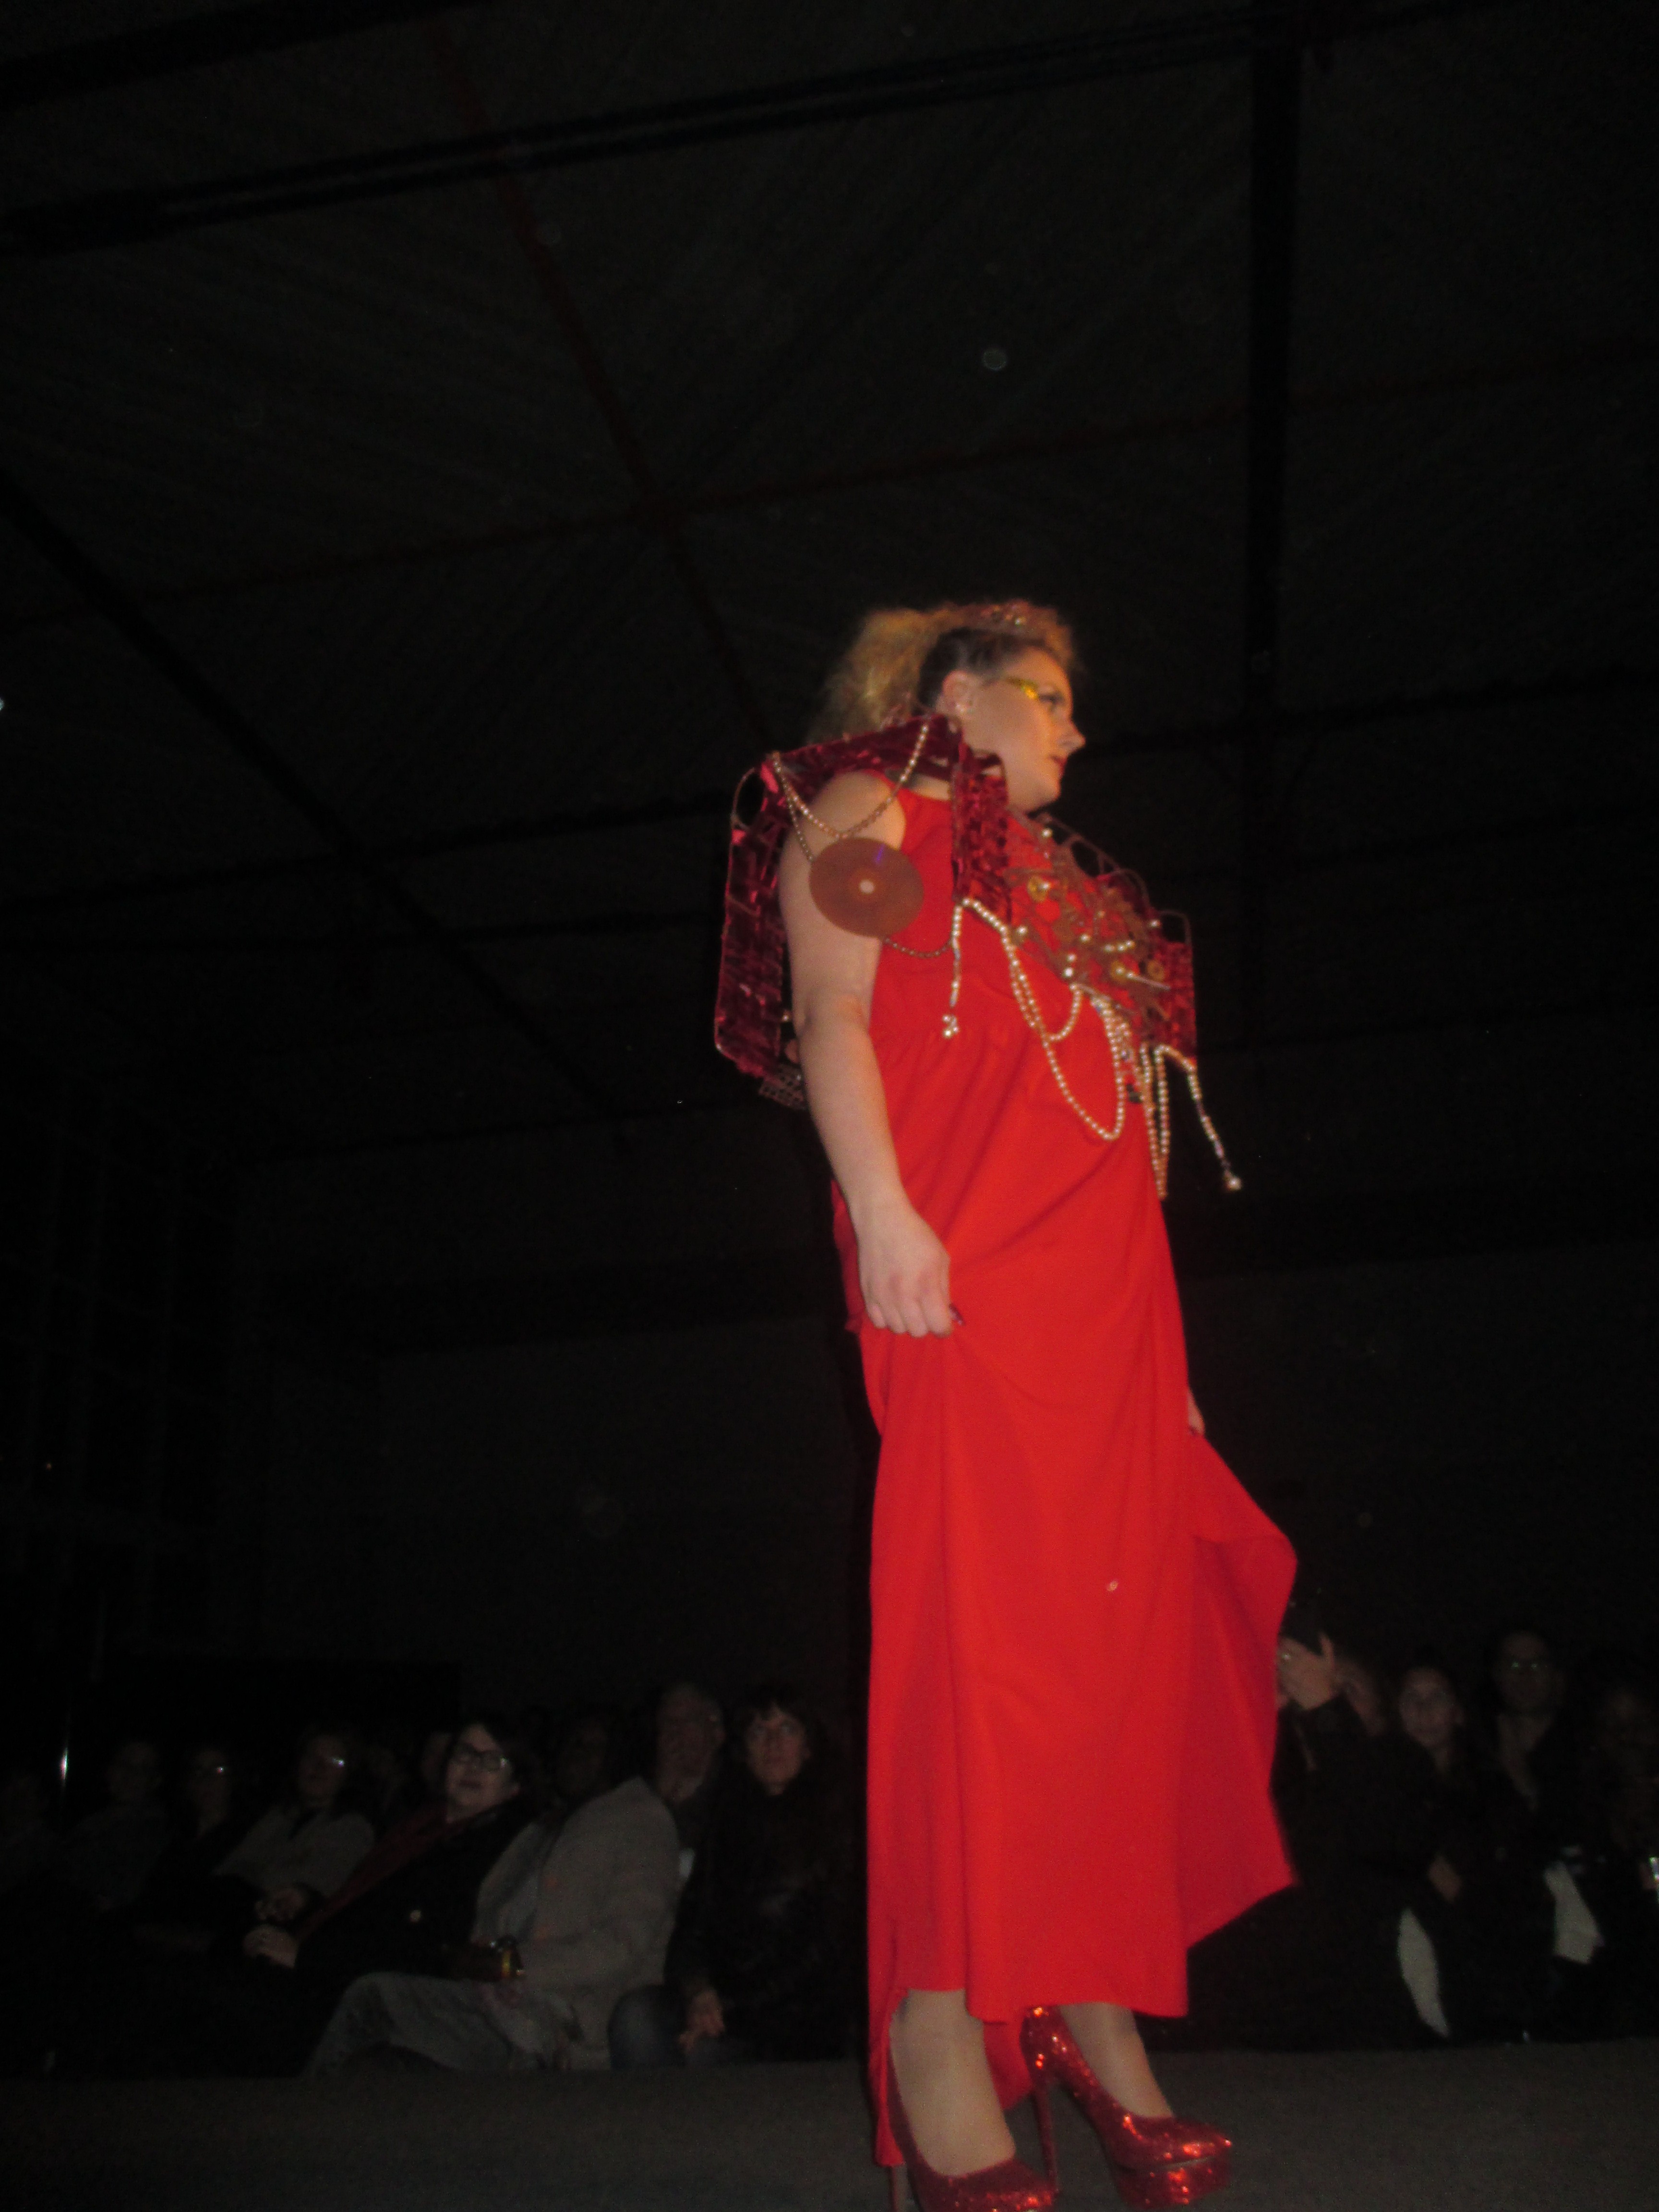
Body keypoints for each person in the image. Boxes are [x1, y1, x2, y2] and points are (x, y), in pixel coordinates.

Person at [714, 600, 1294, 2208]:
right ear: (956, 693)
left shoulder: (1068, 890)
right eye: (1049, 697)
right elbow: (834, 1012)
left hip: (1109, 1319)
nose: (1076, 729)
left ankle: (1092, 2009)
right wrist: (884, 1211)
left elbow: (1115, 1139)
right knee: (983, 1648)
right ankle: (937, 2029)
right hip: (969, 1282)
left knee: (1108, 1660)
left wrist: (1174, 1373)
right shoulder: (869, 810)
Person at [167, 1715, 535, 2074]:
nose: (473, 1767)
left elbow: (421, 1939)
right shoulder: (421, 1827)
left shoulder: (491, 1847)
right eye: (465, 1754)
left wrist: (308, 1957)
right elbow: (367, 1902)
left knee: (210, 2002)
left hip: (355, 1984)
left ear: (515, 1784)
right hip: (329, 1960)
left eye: (492, 1760)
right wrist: (310, 1905)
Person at [308, 1739, 680, 2075]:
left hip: (561, 2018)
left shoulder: (639, 1821)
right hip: (495, 2003)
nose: (572, 1756)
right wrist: (476, 1957)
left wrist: (507, 1965)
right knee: (377, 2061)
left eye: (587, 1745)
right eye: (569, 1745)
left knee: (372, 1999)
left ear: (619, 1753)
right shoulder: (544, 1827)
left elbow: (621, 1945)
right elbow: (490, 1917)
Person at [610, 1684, 853, 2068]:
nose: (772, 1743)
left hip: (793, 2016)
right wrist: (697, 1989)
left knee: (705, 2054)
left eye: (787, 1729)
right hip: (718, 2003)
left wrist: (730, 2007)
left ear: (808, 1745)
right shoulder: (728, 1824)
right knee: (636, 2017)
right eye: (759, 1732)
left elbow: (825, 1950)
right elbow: (692, 1925)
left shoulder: (837, 1828)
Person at [210, 1725, 375, 1935]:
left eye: (335, 1761)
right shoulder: (277, 1816)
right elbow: (236, 1866)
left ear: (349, 1775)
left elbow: (319, 1887)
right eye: (311, 1757)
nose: (319, 1767)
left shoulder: (353, 1829)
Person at [58, 1738, 170, 1912]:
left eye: (143, 1769)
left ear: (155, 1781)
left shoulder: (156, 1833)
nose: (130, 1776)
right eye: (124, 1765)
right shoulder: (87, 1825)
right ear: (110, 1772)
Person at [650, 1683, 726, 1871]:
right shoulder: (639, 1797)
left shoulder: (737, 1794)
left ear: (717, 1732)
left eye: (689, 1720)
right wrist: (661, 1796)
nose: (676, 1732)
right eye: (668, 1723)